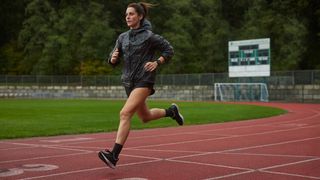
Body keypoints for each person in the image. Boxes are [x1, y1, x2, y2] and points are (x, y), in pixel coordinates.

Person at [98, 2, 184, 169]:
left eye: (131, 14)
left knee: (125, 113)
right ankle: (171, 111)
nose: (127, 17)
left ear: (140, 16)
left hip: (144, 80)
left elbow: (169, 50)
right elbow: (112, 59)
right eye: (126, 15)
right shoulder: (122, 37)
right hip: (128, 82)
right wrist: (112, 59)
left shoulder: (150, 36)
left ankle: (113, 155)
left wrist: (157, 62)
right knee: (145, 117)